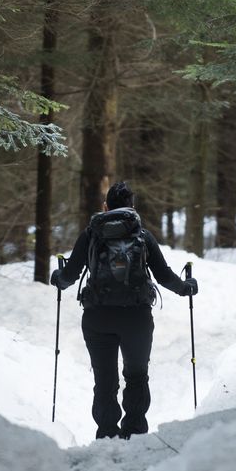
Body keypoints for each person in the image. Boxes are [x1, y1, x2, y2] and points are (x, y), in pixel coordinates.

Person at [51, 182, 199, 440]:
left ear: (105, 206)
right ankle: (135, 432)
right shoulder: (142, 235)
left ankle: (107, 434)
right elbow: (163, 276)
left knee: (105, 380)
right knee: (137, 374)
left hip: (98, 318)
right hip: (137, 319)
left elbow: (69, 276)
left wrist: (58, 277)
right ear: (132, 206)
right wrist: (186, 288)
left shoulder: (91, 234)